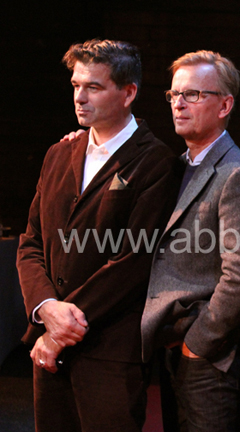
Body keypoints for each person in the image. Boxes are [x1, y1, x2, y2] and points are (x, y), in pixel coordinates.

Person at [17, 39, 179, 431]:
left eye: (93, 87)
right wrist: (45, 309)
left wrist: (60, 331)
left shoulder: (155, 161)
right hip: (51, 343)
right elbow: (32, 242)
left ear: (128, 93)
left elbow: (132, 261)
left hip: (109, 350)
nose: (80, 97)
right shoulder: (59, 153)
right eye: (76, 85)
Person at [140, 50, 240, 432]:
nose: (179, 103)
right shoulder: (179, 164)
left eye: (193, 94)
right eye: (175, 94)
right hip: (172, 345)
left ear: (225, 104)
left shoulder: (236, 174)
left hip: (207, 354)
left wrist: (199, 341)